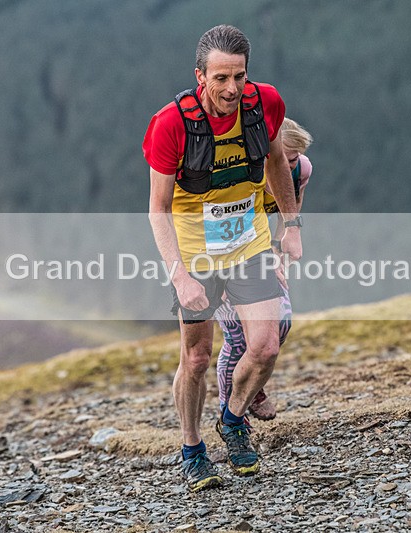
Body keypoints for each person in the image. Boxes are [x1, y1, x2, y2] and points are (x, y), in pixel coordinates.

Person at [143, 25, 303, 492]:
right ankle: (191, 449)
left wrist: (290, 225)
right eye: (220, 79)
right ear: (201, 77)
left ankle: (232, 420)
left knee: (267, 345)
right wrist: (180, 277)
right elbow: (158, 209)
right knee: (195, 359)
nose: (231, 89)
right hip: (196, 253)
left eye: (239, 76)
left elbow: (276, 161)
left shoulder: (265, 103)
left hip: (249, 244)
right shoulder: (170, 124)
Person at [214, 118, 314, 421]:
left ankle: (253, 385)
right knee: (236, 334)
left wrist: (278, 255)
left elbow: (290, 210)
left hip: (260, 249)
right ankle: (229, 409)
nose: (285, 166)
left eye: (292, 159)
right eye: (280, 159)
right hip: (217, 252)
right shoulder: (243, 172)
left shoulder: (302, 169)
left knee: (279, 325)